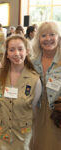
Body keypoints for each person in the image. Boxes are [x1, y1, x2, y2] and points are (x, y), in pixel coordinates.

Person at [0, 34, 42, 150]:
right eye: (12, 50)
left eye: (20, 49)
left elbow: (32, 106)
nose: (16, 53)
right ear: (7, 54)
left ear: (27, 51)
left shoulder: (35, 80)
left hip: (21, 135)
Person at [31, 21, 61, 150]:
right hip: (35, 114)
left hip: (57, 116)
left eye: (52, 34)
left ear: (58, 37)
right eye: (43, 35)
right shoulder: (32, 62)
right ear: (38, 39)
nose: (48, 39)